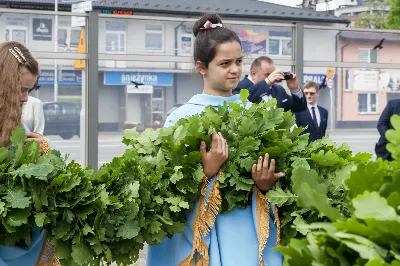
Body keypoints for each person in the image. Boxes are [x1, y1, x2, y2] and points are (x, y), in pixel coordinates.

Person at [147, 14, 283, 266]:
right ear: (201, 67)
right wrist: (206, 172)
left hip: (249, 237)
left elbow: (276, 182)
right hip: (202, 244)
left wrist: (265, 185)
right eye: (225, 63)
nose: (235, 69)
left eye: (239, 61)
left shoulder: (254, 114)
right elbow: (163, 195)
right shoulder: (181, 118)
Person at [0, 41, 56, 266]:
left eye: (29, 90)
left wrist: (45, 149)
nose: (25, 98)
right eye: (21, 90)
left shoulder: (15, 125)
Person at [232, 56, 307, 113]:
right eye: (268, 74)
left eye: (273, 74)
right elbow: (241, 102)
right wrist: (267, 82)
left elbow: (300, 108)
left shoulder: (278, 89)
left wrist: (294, 89)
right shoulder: (238, 87)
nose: (272, 78)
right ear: (253, 73)